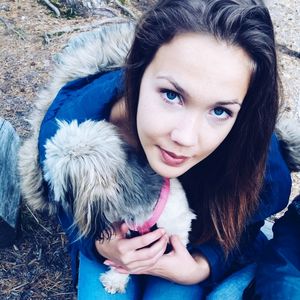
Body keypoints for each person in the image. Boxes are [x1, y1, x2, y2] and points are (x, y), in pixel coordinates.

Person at [18, 0, 293, 299]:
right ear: (137, 70)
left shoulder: (253, 148)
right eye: (172, 95)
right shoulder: (73, 130)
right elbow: (66, 206)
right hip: (112, 243)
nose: (185, 137)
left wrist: (202, 265)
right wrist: (97, 243)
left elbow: (248, 219)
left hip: (193, 244)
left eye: (219, 111)